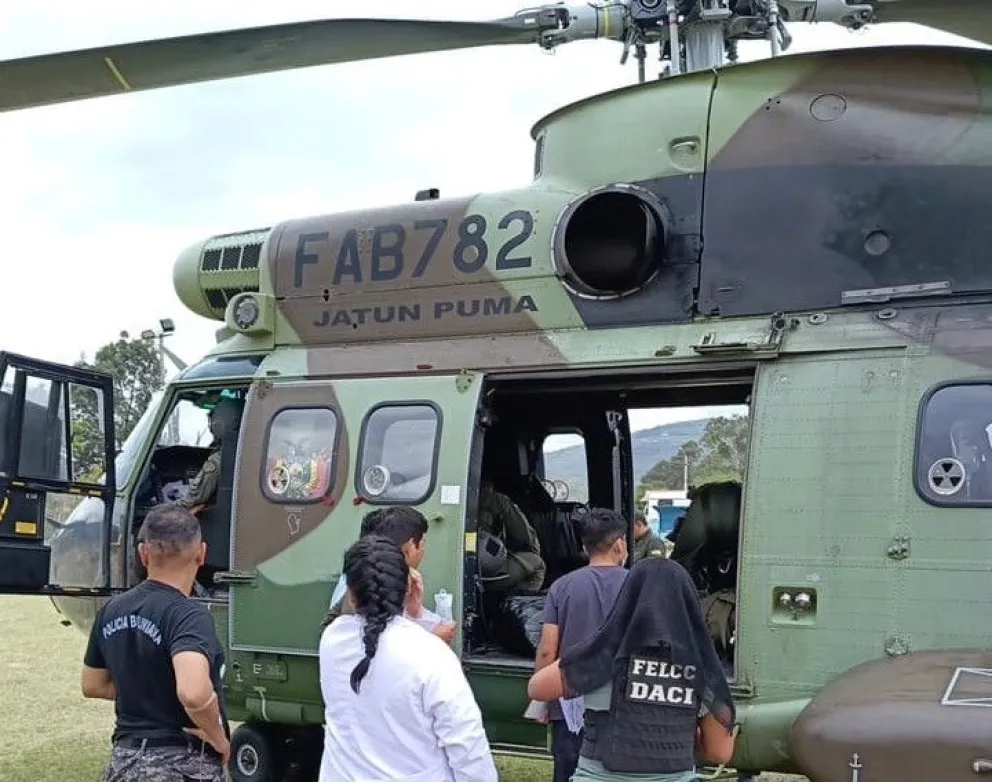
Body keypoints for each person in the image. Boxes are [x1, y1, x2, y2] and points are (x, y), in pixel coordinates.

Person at [527, 556, 737, 781]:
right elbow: (719, 752)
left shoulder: (601, 655)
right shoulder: (699, 668)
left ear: (628, 599)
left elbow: (537, 688)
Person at [317, 534, 499, 781]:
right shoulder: (430, 653)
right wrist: (418, 613)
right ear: (408, 586)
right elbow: (466, 745)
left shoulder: (332, 640)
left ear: (350, 594)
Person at [82, 504, 231, 782]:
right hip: (181, 763)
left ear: (143, 553)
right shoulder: (188, 615)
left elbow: (93, 684)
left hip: (125, 762)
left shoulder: (111, 610)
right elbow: (194, 693)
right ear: (201, 554)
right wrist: (218, 738)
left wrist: (145, 688)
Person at [532, 507, 630, 782]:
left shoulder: (562, 587)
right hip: (623, 704)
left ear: (585, 547)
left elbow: (548, 649)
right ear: (620, 544)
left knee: (569, 771)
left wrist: (541, 699)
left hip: (570, 702)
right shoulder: (637, 584)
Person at [319, 506, 457, 644]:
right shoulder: (364, 580)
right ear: (410, 548)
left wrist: (418, 614)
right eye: (422, 543)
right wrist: (431, 640)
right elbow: (357, 641)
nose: (423, 550)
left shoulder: (369, 574)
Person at [477, 479, 546, 592]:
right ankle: (514, 601)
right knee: (537, 564)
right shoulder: (497, 500)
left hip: (466, 573)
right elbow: (524, 535)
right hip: (487, 576)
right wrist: (533, 550)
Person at [178, 396, 244, 511]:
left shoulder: (218, 460)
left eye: (213, 418)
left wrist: (161, 508)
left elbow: (192, 499)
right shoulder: (245, 451)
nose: (211, 424)